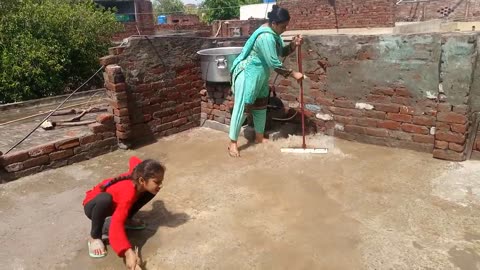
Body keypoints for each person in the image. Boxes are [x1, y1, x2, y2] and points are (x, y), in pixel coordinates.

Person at [227, 5, 305, 157]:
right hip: (248, 73)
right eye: (283, 26)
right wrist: (293, 74)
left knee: (261, 106)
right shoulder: (266, 37)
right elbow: (274, 63)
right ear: (274, 23)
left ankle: (259, 137)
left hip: (260, 74)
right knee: (243, 108)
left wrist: (293, 44)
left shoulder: (274, 33)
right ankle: (232, 143)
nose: (285, 29)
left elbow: (281, 51)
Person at [82, 156, 165, 270]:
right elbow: (115, 225)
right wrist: (127, 252)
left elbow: (133, 159)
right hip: (94, 205)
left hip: (115, 203)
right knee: (104, 199)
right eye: (157, 182)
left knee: (151, 190)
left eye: (161, 181)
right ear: (141, 180)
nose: (160, 185)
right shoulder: (128, 193)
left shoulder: (139, 172)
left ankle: (127, 219)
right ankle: (94, 237)